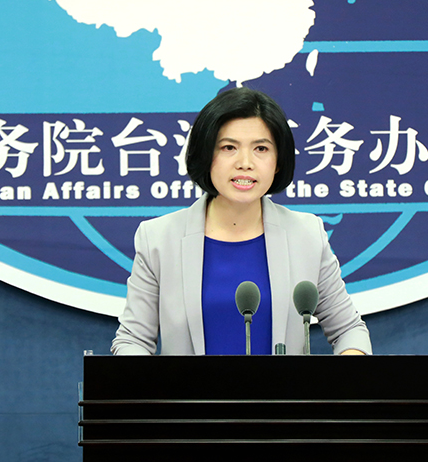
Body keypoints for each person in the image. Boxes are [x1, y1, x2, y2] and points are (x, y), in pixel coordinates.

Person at [111, 87, 371, 355]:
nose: (245, 163)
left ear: (278, 161)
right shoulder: (158, 238)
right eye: (229, 147)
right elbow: (132, 340)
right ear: (205, 155)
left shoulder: (306, 235)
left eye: (261, 148)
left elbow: (349, 330)